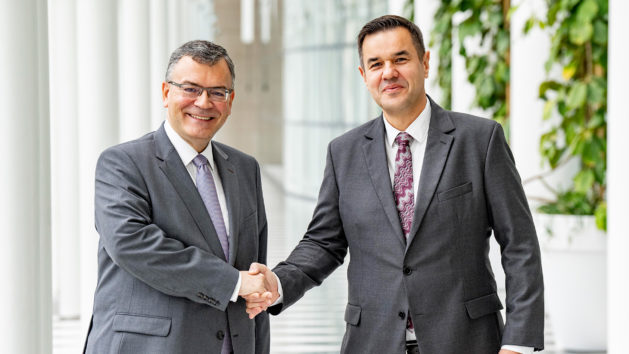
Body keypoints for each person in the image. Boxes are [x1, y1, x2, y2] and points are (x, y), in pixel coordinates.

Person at [245, 15, 544, 354]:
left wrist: (518, 343)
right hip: (373, 341)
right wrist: (279, 281)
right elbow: (324, 243)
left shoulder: (479, 140)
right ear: (364, 76)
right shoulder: (344, 153)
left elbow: (520, 245)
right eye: (376, 64)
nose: (389, 72)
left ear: (425, 62)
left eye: (400, 59)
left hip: (466, 340)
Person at [84, 40, 273, 354]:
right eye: (190, 88)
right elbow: (132, 245)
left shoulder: (244, 168)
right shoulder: (123, 163)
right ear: (165, 92)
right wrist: (233, 283)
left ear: (231, 100)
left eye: (217, 92)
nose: (203, 102)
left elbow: (253, 271)